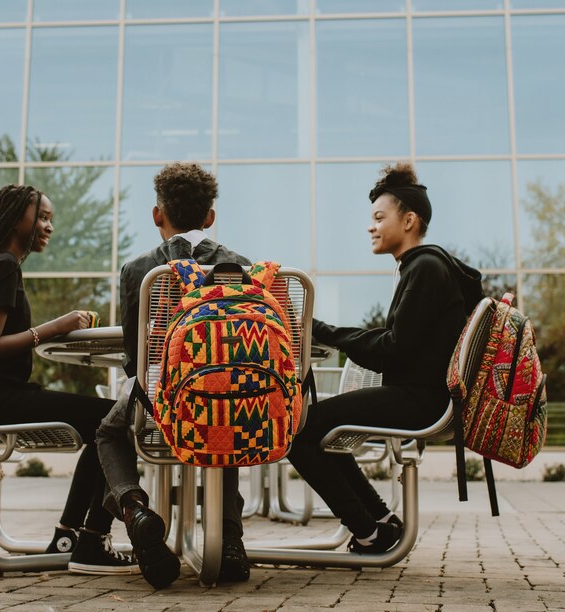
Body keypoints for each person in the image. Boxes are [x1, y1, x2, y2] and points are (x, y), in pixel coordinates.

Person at [287, 162, 484, 553]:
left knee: (299, 429)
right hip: (421, 395)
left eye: (380, 217)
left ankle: (369, 530)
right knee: (316, 428)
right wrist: (329, 332)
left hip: (422, 399)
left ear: (409, 220)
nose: (370, 226)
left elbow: (393, 349)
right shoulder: (423, 266)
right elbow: (397, 342)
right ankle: (378, 521)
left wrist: (321, 331)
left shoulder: (425, 268)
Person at [0, 184, 138, 576]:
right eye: (41, 217)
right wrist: (53, 328)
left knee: (108, 420)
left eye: (50, 218)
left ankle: (74, 537)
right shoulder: (2, 265)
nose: (48, 226)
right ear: (14, 218)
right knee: (115, 420)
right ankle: (88, 541)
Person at [96, 162, 252, 588]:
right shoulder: (240, 265)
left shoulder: (138, 269)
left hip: (160, 400)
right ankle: (230, 542)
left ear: (157, 215)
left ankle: (135, 509)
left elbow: (135, 356)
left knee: (109, 433)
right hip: (223, 395)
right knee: (228, 417)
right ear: (210, 217)